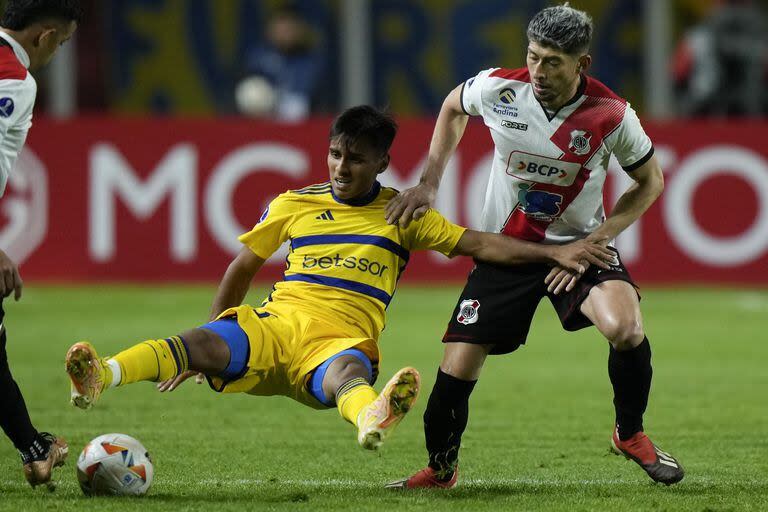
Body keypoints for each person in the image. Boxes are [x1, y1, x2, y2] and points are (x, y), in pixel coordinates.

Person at [65, 106, 615, 459]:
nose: (340, 166)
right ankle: (101, 375)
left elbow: (480, 244)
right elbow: (242, 269)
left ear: (381, 163)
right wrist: (214, 338)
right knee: (196, 342)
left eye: (355, 158)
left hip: (338, 341)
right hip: (274, 325)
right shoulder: (293, 204)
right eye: (334, 153)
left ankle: (371, 417)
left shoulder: (402, 214)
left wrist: (555, 251)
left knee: (348, 374)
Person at [385, 4, 684, 488]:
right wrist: (428, 183)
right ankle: (442, 470)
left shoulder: (611, 113)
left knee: (625, 327)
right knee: (456, 370)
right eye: (534, 56)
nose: (539, 72)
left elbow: (650, 182)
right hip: (506, 251)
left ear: (580, 64)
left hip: (581, 247)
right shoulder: (500, 88)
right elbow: (451, 107)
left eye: (553, 62)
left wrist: (598, 238)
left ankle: (629, 433)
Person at [0, 0, 82, 489]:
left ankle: (35, 448)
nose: (59, 52)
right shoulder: (14, 79)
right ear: (45, 35)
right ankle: (35, 448)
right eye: (64, 43)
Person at [235, 3, 323, 121]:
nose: (285, 32)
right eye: (281, 27)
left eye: (290, 27)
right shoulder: (256, 59)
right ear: (269, 30)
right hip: (259, 125)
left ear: (300, 30)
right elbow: (246, 94)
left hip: (301, 128)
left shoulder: (311, 63)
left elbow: (309, 105)